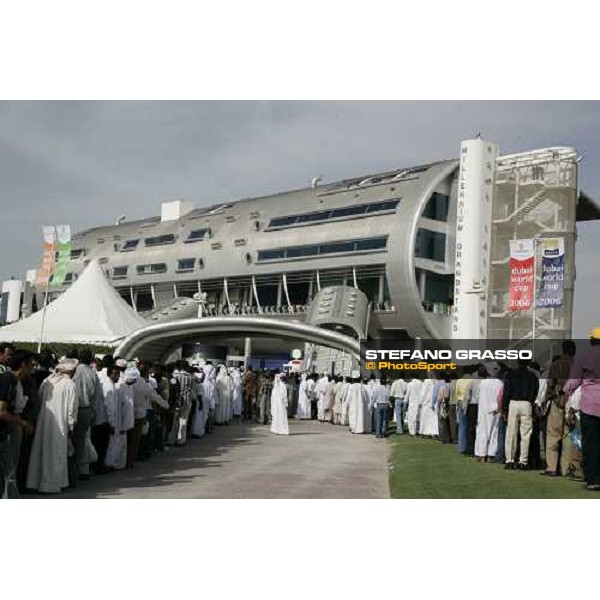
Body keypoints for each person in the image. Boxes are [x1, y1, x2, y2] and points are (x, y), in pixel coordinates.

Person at [26, 358, 78, 494]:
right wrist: (71, 426)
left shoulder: (47, 381)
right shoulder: (70, 385)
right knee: (57, 453)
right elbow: (72, 410)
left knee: (41, 451)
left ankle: (35, 483)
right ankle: (51, 485)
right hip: (60, 425)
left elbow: (39, 397)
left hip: (43, 422)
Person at [564, 327, 600, 490]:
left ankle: (592, 480)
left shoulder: (583, 356)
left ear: (591, 340)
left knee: (590, 444)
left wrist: (564, 392)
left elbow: (573, 381)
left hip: (590, 406)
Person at [0, 350, 35, 498]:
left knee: (9, 474)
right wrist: (23, 423)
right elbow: (1, 411)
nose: (33, 368)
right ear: (23, 364)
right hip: (2, 435)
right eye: (31, 364)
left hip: (4, 434)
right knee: (9, 474)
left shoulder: (14, 381)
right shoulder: (7, 380)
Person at [543, 341, 576, 476]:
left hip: (557, 402)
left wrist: (549, 399)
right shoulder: (576, 364)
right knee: (568, 436)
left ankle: (551, 467)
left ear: (562, 350)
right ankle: (566, 468)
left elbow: (550, 384)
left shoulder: (555, 365)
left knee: (553, 435)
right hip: (572, 403)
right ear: (573, 351)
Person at [503, 358, 540, 470]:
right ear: (528, 362)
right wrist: (531, 403)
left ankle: (509, 460)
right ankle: (523, 462)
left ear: (517, 362)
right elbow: (535, 391)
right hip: (526, 403)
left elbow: (506, 391)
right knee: (526, 434)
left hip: (513, 403)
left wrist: (505, 408)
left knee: (511, 433)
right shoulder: (532, 376)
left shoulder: (510, 374)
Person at [72, 348, 101, 482]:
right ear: (91, 359)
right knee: (83, 441)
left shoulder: (74, 371)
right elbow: (96, 396)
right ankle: (82, 470)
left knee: (72, 441)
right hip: (86, 409)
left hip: (74, 409)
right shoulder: (93, 374)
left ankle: (73, 472)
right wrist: (93, 412)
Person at [105, 365, 136, 471]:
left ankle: (115, 463)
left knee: (118, 444)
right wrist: (123, 425)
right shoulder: (120, 388)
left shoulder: (121, 387)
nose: (117, 376)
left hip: (120, 422)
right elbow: (124, 409)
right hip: (119, 422)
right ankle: (113, 464)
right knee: (117, 445)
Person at [474, 362, 503, 462]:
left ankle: (481, 454)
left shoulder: (483, 383)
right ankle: (491, 455)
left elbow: (477, 396)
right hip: (495, 410)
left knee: (482, 432)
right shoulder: (500, 383)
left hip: (483, 410)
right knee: (494, 432)